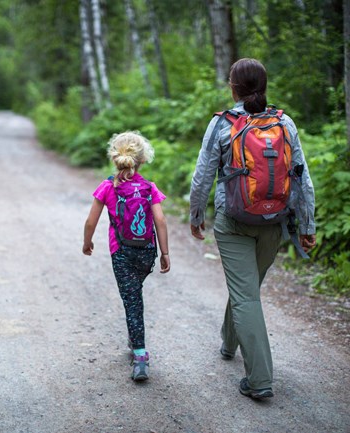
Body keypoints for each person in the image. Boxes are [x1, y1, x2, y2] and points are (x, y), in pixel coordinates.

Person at [189, 58, 316, 399]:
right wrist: (307, 224)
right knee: (248, 290)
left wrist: (196, 213)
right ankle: (229, 342)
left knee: (246, 294)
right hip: (274, 221)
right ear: (264, 85)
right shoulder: (284, 122)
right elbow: (302, 177)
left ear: (233, 87)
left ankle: (259, 380)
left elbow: (203, 175)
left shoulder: (222, 125)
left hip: (233, 222)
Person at [83, 131, 171, 382]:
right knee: (134, 294)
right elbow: (161, 220)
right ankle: (135, 337)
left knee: (132, 301)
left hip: (121, 252)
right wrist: (164, 252)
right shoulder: (149, 188)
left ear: (115, 159)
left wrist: (87, 242)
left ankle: (140, 355)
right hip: (147, 251)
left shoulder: (107, 186)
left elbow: (91, 221)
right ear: (142, 160)